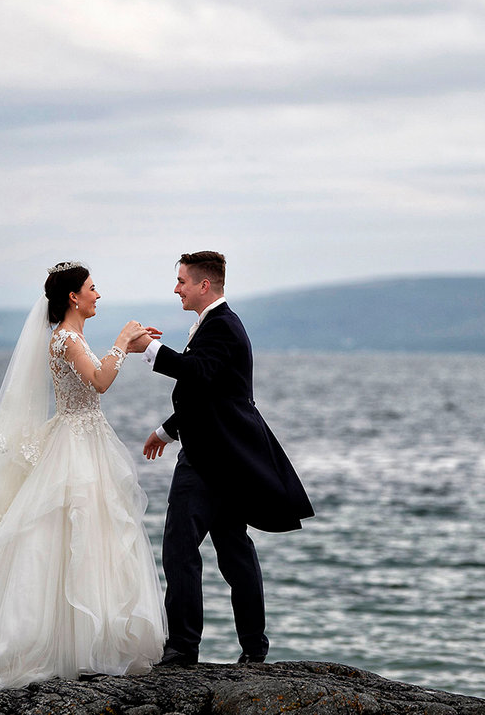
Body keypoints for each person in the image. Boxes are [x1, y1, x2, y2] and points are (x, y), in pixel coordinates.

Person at [0, 262, 166, 696]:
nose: (97, 295)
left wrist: (128, 344)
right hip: (75, 442)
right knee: (68, 534)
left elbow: (94, 375)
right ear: (73, 297)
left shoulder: (74, 337)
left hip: (86, 438)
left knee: (92, 534)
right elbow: (100, 380)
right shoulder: (66, 338)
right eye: (92, 288)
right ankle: (62, 643)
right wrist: (124, 341)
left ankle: (90, 640)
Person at [140, 251, 313, 666]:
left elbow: (196, 373)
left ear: (204, 285)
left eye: (182, 281)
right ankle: (253, 649)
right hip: (227, 461)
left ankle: (183, 647)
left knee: (181, 550)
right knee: (234, 553)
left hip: (206, 462)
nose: (176, 288)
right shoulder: (217, 324)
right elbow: (210, 396)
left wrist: (150, 348)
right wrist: (166, 430)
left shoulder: (222, 326)